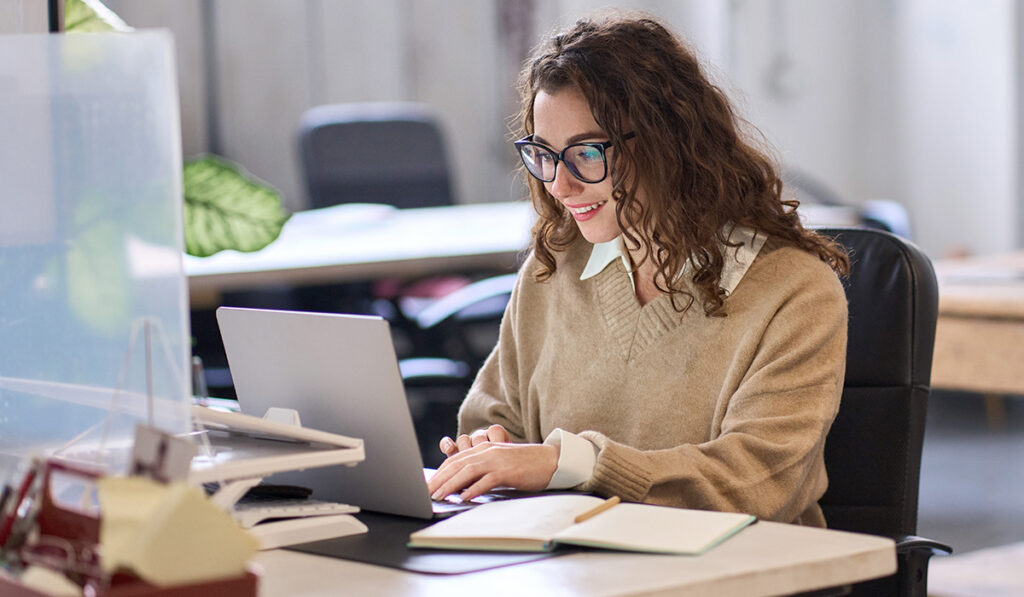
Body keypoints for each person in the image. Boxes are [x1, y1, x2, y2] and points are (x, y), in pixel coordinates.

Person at [426, 11, 850, 526]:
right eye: (544, 154)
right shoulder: (552, 271)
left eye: (585, 153)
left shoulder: (794, 292)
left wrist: (569, 463)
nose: (560, 186)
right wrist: (491, 450)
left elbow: (758, 482)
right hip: (568, 566)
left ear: (667, 141)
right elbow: (493, 419)